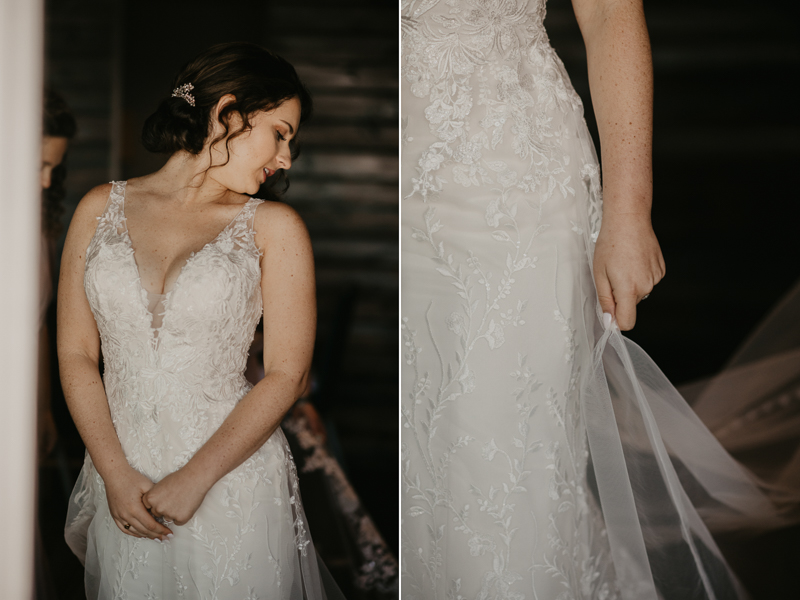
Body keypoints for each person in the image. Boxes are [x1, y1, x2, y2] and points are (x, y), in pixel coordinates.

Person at [400, 1, 790, 598]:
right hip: (406, 191)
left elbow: (610, 11)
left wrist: (629, 210)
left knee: (496, 460)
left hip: (510, 182)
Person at [58, 42, 341, 599]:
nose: (286, 157)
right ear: (228, 113)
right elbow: (75, 354)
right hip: (125, 478)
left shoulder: (274, 227)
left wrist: (195, 479)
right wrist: (114, 474)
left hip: (229, 477)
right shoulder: (98, 208)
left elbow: (287, 375)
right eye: (280, 132)